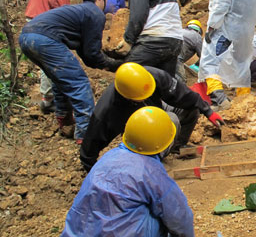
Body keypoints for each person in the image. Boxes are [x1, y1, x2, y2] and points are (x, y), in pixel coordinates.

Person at [55, 106, 194, 237]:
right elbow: (179, 218)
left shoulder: (107, 159)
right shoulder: (152, 173)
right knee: (160, 211)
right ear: (165, 144)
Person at [19, 0, 122, 143]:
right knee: (79, 82)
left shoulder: (80, 12)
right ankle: (86, 134)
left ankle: (65, 120)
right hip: (45, 40)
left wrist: (103, 63)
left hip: (27, 37)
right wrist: (113, 64)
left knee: (60, 80)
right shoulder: (95, 13)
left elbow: (85, 53)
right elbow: (92, 54)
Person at [79, 62, 224, 172]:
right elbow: (90, 145)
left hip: (155, 111)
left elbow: (184, 94)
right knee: (171, 119)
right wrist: (93, 172)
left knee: (191, 109)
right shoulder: (108, 109)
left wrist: (208, 111)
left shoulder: (154, 76)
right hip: (141, 134)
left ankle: (176, 147)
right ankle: (153, 162)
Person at [25, 0, 91, 114]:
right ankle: (52, 99)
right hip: (45, 21)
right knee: (54, 59)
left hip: (36, 18)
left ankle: (48, 98)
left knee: (47, 62)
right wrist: (68, 18)